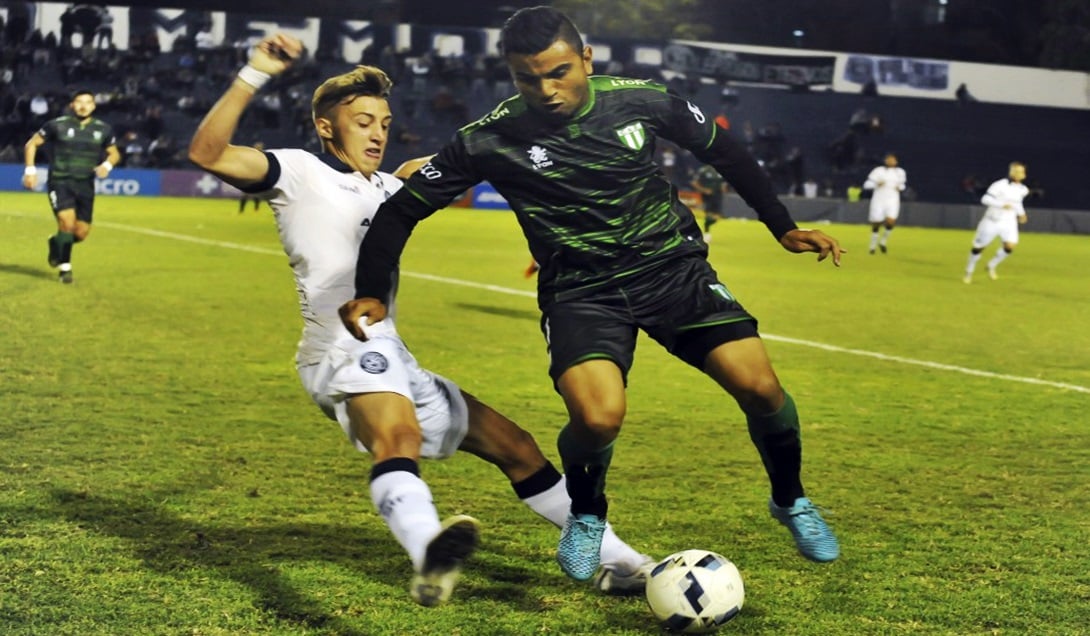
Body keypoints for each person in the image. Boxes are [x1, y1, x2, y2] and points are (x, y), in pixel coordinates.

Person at [338, 6, 844, 582]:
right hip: (582, 292)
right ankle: (587, 515)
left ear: (586, 59)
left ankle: (791, 499)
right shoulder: (487, 139)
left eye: (558, 72)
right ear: (511, 75)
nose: (546, 90)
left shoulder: (642, 99)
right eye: (528, 79)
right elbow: (400, 211)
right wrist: (372, 292)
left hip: (673, 270)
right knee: (599, 418)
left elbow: (725, 154)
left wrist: (782, 225)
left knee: (760, 386)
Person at [187, 33, 652, 607]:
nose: (378, 131)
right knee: (398, 435)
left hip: (393, 353)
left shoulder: (393, 185)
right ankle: (427, 551)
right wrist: (254, 72)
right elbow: (207, 154)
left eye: (383, 120)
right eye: (362, 121)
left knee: (516, 446)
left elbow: (478, 153)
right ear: (328, 128)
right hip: (341, 346)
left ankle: (625, 562)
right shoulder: (299, 172)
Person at [23, 90, 120, 284]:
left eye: (88, 102)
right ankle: (65, 269)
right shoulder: (56, 125)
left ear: (94, 106)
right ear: (72, 105)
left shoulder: (103, 129)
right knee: (66, 223)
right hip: (60, 181)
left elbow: (114, 153)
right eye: (79, 102)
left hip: (85, 184)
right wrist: (30, 171)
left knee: (81, 233)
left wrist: (106, 165)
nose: (83, 106)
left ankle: (56, 243)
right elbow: (31, 145)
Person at [963, 162, 1029, 284]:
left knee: (1010, 247)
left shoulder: (1023, 189)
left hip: (1009, 222)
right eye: (1018, 171)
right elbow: (985, 199)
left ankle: (991, 265)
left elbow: (1017, 203)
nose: (1021, 173)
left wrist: (1022, 214)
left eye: (1022, 171)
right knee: (978, 248)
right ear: (1012, 172)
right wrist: (1002, 205)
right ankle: (969, 271)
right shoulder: (1000, 185)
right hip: (992, 221)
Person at [862, 152, 907, 254]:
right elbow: (866, 184)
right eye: (889, 159)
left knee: (891, 221)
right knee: (876, 223)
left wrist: (900, 188)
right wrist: (876, 184)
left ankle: (883, 241)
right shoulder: (878, 171)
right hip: (878, 200)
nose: (891, 161)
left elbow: (903, 185)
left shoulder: (900, 172)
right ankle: (872, 246)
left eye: (893, 159)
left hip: (892, 200)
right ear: (885, 161)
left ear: (896, 161)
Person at [690, 162, 728, 243]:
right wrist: (704, 190)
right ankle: (706, 233)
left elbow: (723, 182)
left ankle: (704, 232)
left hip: (718, 196)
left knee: (717, 216)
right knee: (709, 215)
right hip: (708, 197)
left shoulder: (719, 171)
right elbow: (694, 183)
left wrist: (723, 188)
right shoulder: (704, 170)